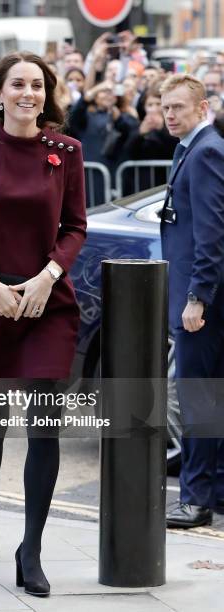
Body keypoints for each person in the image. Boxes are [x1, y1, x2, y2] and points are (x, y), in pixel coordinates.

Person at [0, 51, 86, 597]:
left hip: (46, 301)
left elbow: (75, 228)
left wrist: (46, 278)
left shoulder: (66, 151)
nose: (29, 93)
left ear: (45, 94)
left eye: (38, 85)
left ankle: (31, 548)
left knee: (45, 428)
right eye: (18, 84)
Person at [160, 74, 224, 528]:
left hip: (203, 304)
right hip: (203, 299)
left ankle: (196, 499)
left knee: (198, 398)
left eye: (178, 107)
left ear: (202, 109)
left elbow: (211, 234)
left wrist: (197, 297)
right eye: (164, 107)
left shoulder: (206, 152)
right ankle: (215, 491)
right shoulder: (195, 149)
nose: (169, 114)